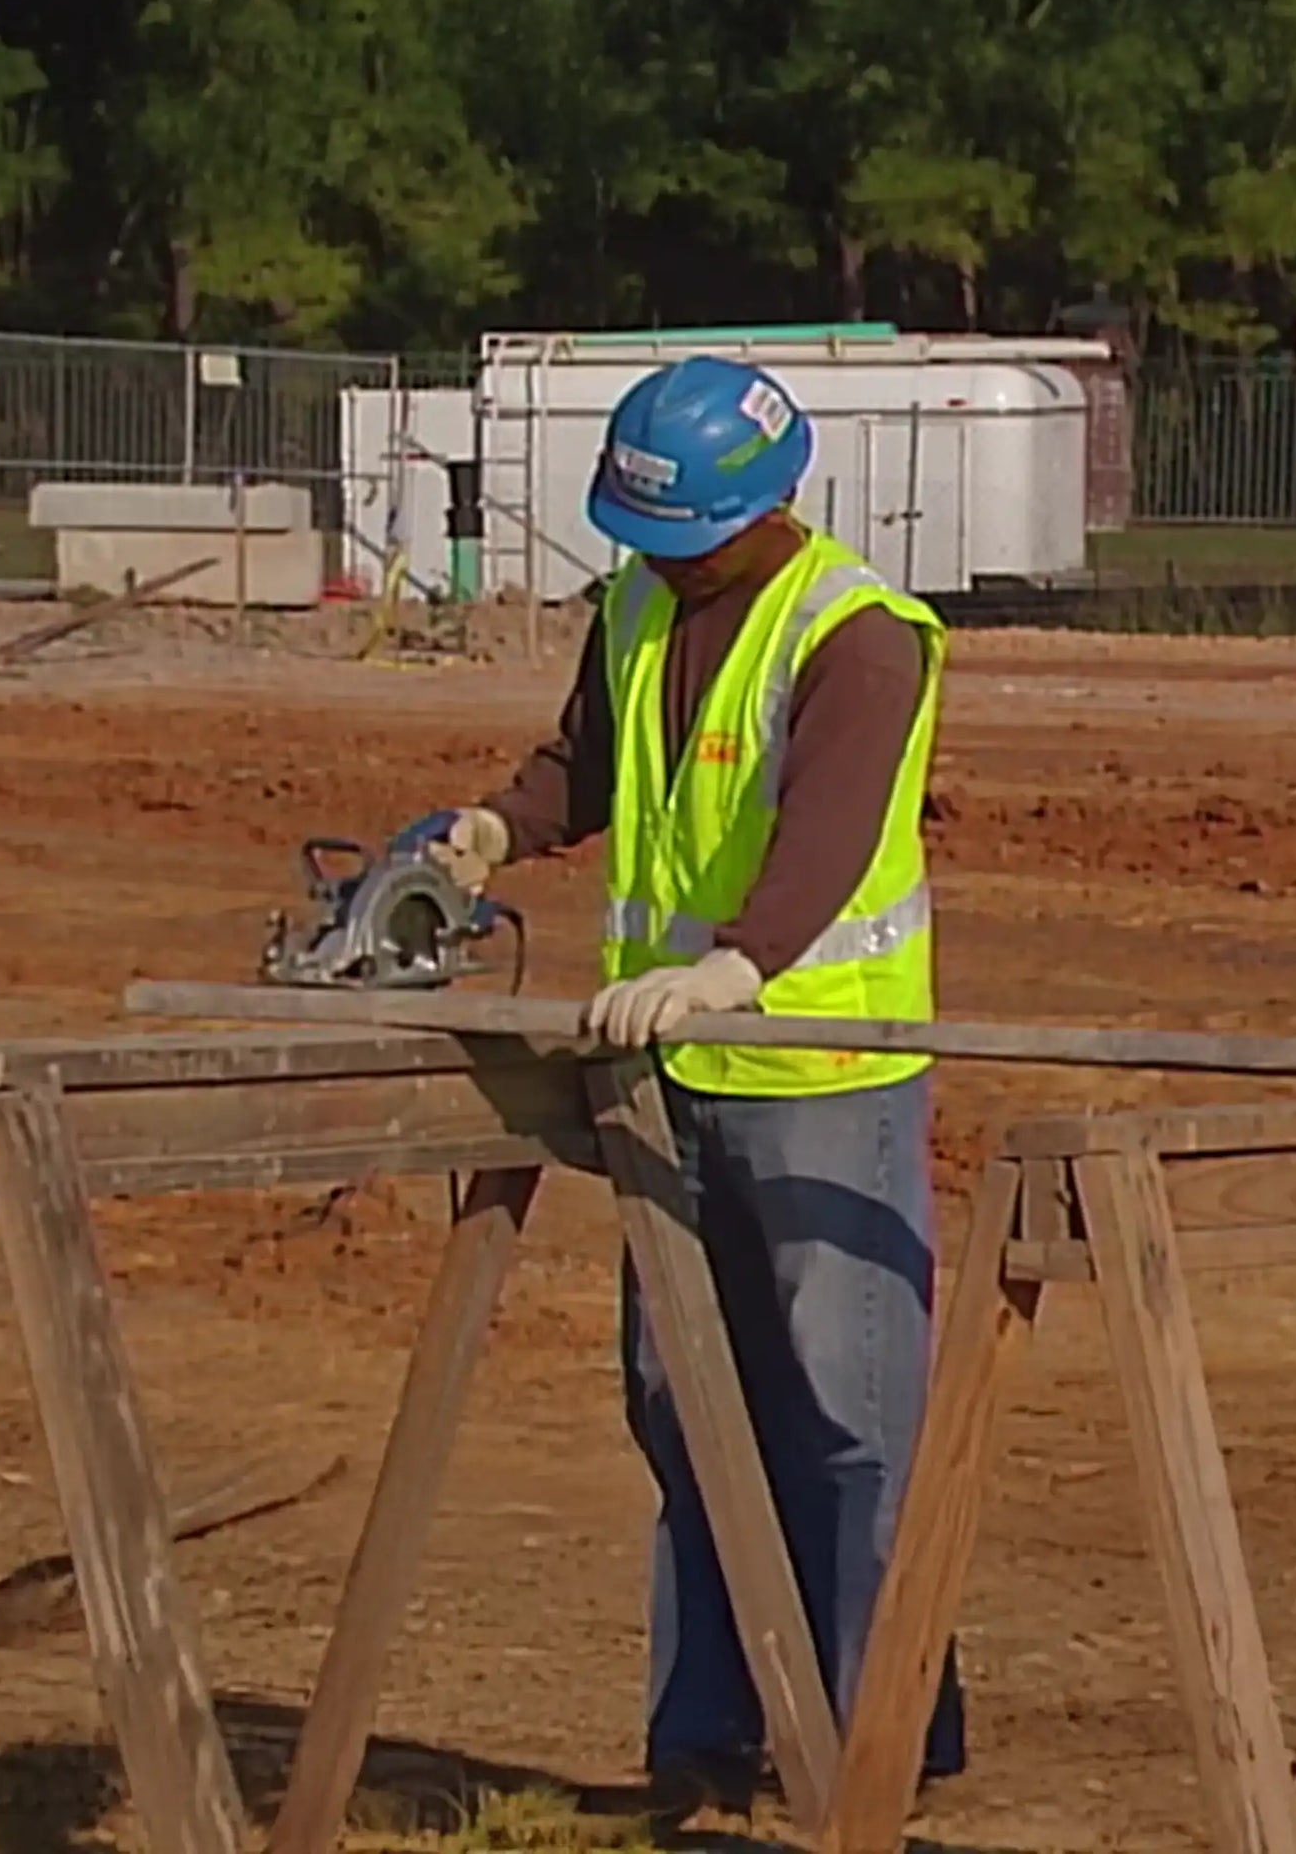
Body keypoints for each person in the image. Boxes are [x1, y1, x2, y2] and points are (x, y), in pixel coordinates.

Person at [392, 354, 965, 1812]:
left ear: (760, 508)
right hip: (661, 1066)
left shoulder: (855, 635)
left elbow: (827, 830)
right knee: (679, 1395)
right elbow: (586, 762)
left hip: (815, 1064)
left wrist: (740, 960)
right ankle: (708, 1730)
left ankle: (866, 1743)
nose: (653, 559)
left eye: (677, 534)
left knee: (846, 1412)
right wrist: (493, 828)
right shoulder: (639, 604)